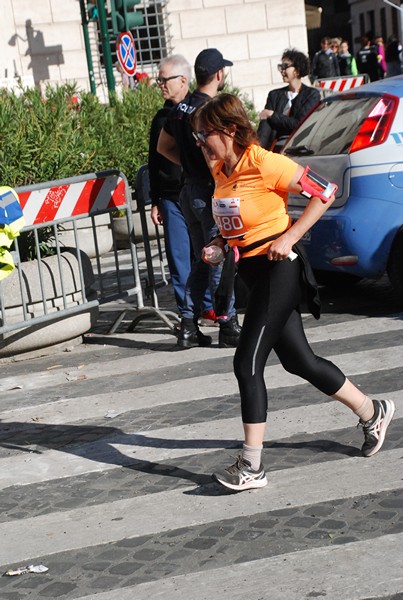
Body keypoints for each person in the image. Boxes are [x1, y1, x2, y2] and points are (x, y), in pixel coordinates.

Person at [191, 93, 395, 492]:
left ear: (229, 130)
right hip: (252, 270)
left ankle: (251, 466)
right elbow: (236, 219)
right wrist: (218, 242)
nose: (200, 142)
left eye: (204, 135)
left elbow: (325, 192)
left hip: (280, 270)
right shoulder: (221, 168)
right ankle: (373, 411)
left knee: (246, 360)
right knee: (299, 361)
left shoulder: (265, 162)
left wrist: (291, 236)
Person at [157, 48, 241, 349]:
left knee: (202, 261)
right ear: (219, 74)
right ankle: (228, 323)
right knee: (218, 258)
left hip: (188, 190)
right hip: (208, 191)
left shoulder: (181, 108)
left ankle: (189, 325)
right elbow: (214, 154)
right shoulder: (209, 110)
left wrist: (188, 163)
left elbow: (163, 147)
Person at [148, 54, 217, 326]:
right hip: (171, 197)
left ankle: (210, 306)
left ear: (183, 80)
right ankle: (187, 313)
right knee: (180, 258)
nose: (160, 85)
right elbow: (155, 159)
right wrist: (155, 200)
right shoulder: (163, 117)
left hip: (199, 191)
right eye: (158, 81)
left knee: (205, 253)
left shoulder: (199, 111)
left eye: (164, 80)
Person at [258, 48, 320, 151]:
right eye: (281, 67)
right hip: (277, 149)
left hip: (300, 148)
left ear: (297, 69)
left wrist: (272, 115)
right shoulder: (274, 95)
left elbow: (299, 124)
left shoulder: (312, 94)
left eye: (285, 66)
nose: (282, 70)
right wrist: (258, 150)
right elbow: (265, 128)